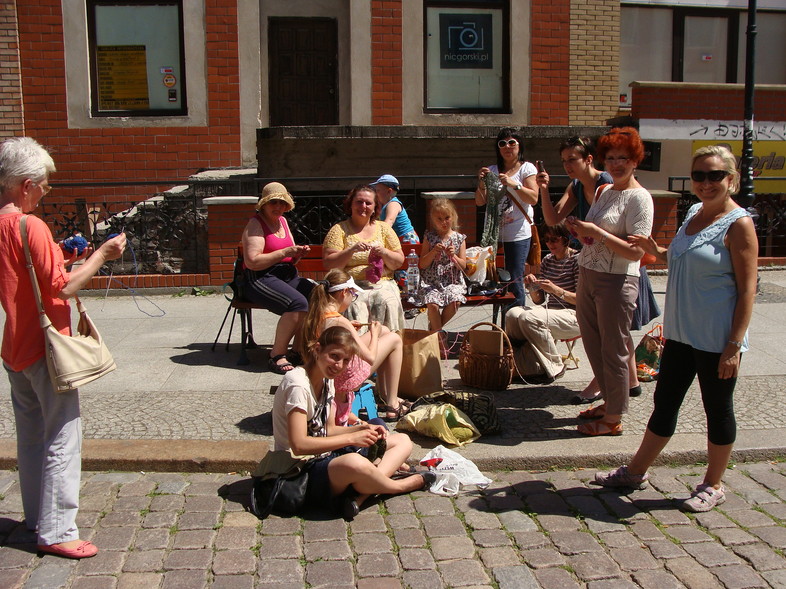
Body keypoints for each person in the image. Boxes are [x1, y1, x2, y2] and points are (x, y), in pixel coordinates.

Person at [594, 145, 758, 512]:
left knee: (717, 409)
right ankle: (636, 472)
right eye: (699, 175)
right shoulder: (696, 212)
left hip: (717, 339)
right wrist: (656, 249)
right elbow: (679, 256)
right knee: (665, 402)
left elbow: (748, 290)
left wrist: (733, 345)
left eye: (715, 175)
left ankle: (713, 484)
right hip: (681, 333)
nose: (705, 182)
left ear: (730, 179)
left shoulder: (739, 224)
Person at [0, 137, 127, 559]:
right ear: (25, 185)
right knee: (61, 438)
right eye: (44, 185)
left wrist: (67, 256)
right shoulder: (30, 224)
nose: (46, 191)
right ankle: (57, 530)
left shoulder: (4, 224)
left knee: (32, 438)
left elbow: (28, 276)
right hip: (47, 347)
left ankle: (37, 519)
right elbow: (64, 287)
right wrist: (102, 256)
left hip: (15, 345)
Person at [537, 135, 657, 404]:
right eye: (564, 161)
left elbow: (632, 244)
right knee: (612, 334)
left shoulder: (613, 185)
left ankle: (608, 398)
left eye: (572, 159)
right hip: (596, 268)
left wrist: (593, 233)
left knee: (613, 336)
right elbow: (552, 219)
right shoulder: (581, 186)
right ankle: (630, 384)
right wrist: (544, 189)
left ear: (589, 159)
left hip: (620, 270)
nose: (567, 165)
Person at [273, 325, 436, 520]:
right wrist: (351, 438)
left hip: (326, 457)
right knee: (355, 462)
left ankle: (361, 494)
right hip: (298, 470)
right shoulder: (298, 385)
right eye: (334, 356)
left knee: (402, 441)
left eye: (346, 360)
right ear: (317, 350)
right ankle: (398, 486)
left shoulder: (327, 380)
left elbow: (329, 429)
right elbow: (299, 445)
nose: (338, 365)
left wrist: (363, 427)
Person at [565, 127, 654, 436]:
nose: (617, 164)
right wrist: (581, 231)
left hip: (617, 280)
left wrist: (598, 233)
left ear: (635, 161)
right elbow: (594, 240)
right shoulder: (605, 191)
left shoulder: (640, 198)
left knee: (613, 349)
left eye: (624, 158)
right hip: (588, 273)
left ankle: (613, 417)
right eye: (612, 158)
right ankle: (608, 402)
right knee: (592, 343)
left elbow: (636, 251)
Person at [301, 269, 410, 422]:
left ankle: (385, 395)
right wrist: (373, 333)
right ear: (344, 292)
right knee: (394, 339)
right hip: (343, 377)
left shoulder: (317, 314)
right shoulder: (340, 321)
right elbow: (370, 357)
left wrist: (355, 329)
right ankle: (392, 403)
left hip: (326, 370)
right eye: (353, 295)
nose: (353, 299)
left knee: (384, 331)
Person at [240, 182, 314, 374]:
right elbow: (253, 262)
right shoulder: (255, 224)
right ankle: (276, 355)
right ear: (263, 204)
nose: (278, 207)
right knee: (298, 302)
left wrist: (296, 254)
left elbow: (288, 256)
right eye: (273, 202)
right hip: (260, 278)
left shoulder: (283, 221)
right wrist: (286, 252)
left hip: (285, 274)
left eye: (282, 203)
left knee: (316, 295)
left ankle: (297, 350)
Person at [323, 185, 406, 331]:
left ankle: (388, 345)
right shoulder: (339, 230)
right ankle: (357, 347)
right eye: (359, 202)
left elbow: (398, 262)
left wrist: (384, 252)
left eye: (368, 203)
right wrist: (350, 250)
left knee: (386, 300)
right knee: (355, 304)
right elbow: (329, 263)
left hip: (382, 282)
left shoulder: (384, 229)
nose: (363, 206)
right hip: (350, 284)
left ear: (375, 207)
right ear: (351, 204)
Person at [505, 223, 580, 383]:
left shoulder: (577, 261)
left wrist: (556, 290)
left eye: (554, 240)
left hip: (575, 315)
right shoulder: (547, 260)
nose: (550, 244)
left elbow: (582, 299)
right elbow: (539, 300)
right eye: (547, 240)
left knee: (529, 318)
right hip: (551, 311)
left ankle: (555, 367)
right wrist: (532, 286)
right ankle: (523, 365)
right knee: (512, 314)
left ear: (566, 240)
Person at [475, 127, 539, 308]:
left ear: (519, 146)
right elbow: (480, 202)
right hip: (493, 234)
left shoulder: (527, 168)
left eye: (512, 143)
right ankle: (501, 322)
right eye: (502, 143)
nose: (507, 147)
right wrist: (481, 182)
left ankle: (516, 323)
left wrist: (515, 185)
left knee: (515, 280)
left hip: (518, 233)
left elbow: (533, 198)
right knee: (494, 280)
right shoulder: (493, 170)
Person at [418, 199, 467, 348]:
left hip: (451, 281)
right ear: (433, 220)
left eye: (447, 218)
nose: (444, 222)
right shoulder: (429, 237)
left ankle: (433, 330)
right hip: (431, 280)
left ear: (453, 217)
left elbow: (463, 266)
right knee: (432, 304)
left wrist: (454, 256)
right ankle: (439, 336)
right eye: (439, 219)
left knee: (455, 301)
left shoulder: (459, 238)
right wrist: (433, 252)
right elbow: (422, 264)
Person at [371, 174, 419, 244]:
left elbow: (389, 222)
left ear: (389, 191)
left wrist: (377, 236)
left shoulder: (393, 204)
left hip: (407, 238)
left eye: (378, 191)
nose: (376, 193)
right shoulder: (383, 205)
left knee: (406, 254)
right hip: (397, 238)